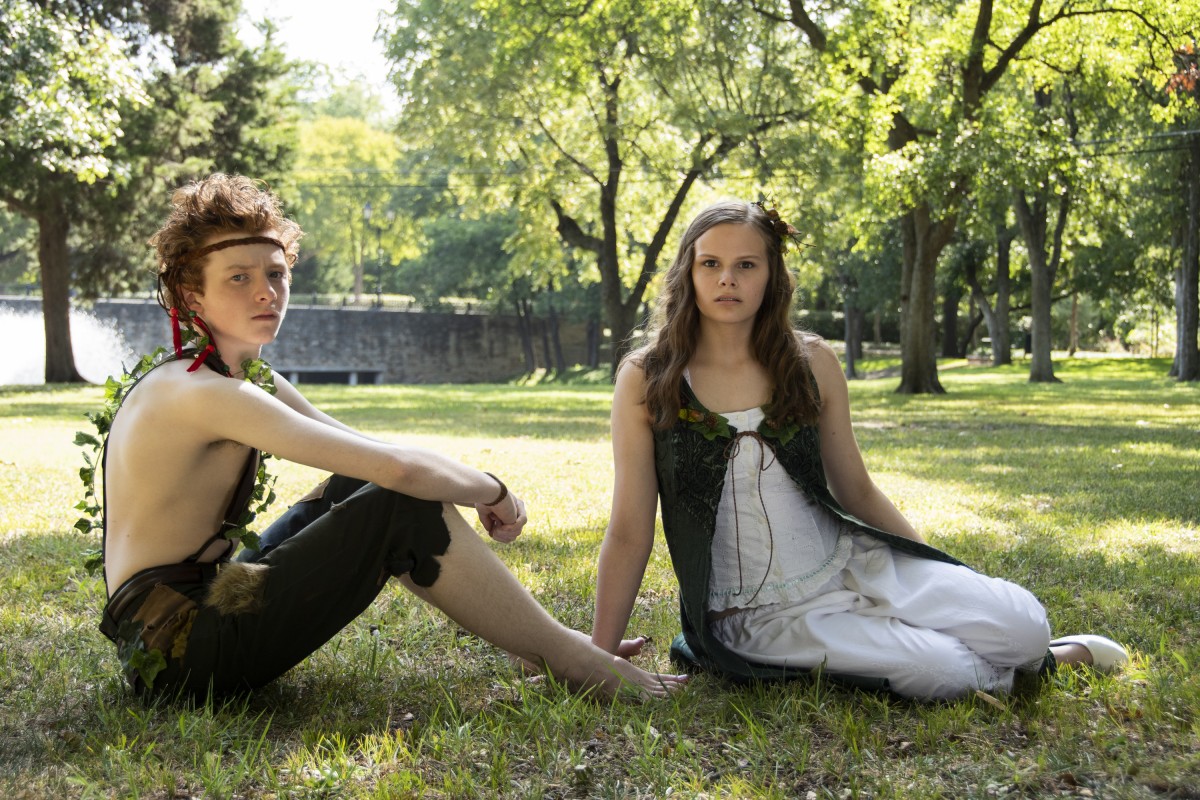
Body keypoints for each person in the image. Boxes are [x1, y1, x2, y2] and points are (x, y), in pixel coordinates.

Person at [90, 173, 686, 701]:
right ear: (192, 294)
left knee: (359, 484)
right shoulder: (202, 392)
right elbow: (399, 473)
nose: (266, 292)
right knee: (396, 501)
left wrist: (463, 484)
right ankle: (573, 660)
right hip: (177, 653)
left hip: (206, 604)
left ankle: (545, 647)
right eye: (238, 278)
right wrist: (493, 490)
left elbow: (371, 454)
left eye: (275, 273)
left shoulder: (238, 377)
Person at [590, 199, 1127, 701]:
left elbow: (857, 489)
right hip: (756, 614)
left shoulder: (810, 361)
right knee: (944, 672)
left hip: (854, 561)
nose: (727, 278)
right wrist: (597, 656)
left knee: (1024, 625)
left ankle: (1031, 649)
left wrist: (937, 573)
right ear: (687, 272)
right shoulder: (648, 378)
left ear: (772, 274)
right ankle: (1046, 664)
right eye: (710, 263)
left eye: (746, 265)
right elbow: (630, 531)